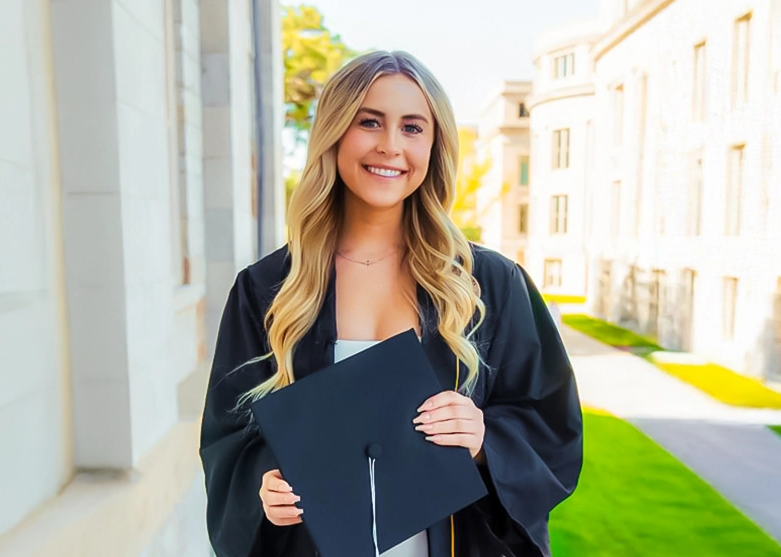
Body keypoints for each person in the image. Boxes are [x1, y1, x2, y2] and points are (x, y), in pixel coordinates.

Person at [199, 50, 583, 557]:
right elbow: (229, 440)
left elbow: (552, 426)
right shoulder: (270, 289)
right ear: (335, 133)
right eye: (369, 122)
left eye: (412, 127)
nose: (390, 146)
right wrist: (263, 485)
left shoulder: (488, 284)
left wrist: (484, 439)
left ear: (434, 144)